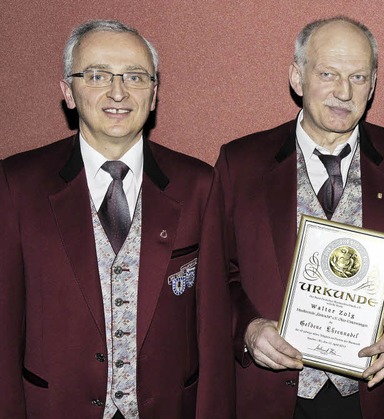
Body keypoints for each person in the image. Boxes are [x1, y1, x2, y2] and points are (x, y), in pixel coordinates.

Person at [216, 16, 384, 419]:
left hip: (375, 394)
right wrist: (249, 329)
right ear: (297, 77)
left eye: (358, 77)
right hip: (269, 395)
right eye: (328, 74)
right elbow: (217, 272)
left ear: (373, 85)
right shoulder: (240, 163)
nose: (344, 91)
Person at [0, 20, 233, 418]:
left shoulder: (198, 184)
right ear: (68, 92)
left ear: (155, 93)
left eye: (135, 76)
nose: (118, 91)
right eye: (97, 75)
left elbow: (212, 328)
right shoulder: (16, 185)